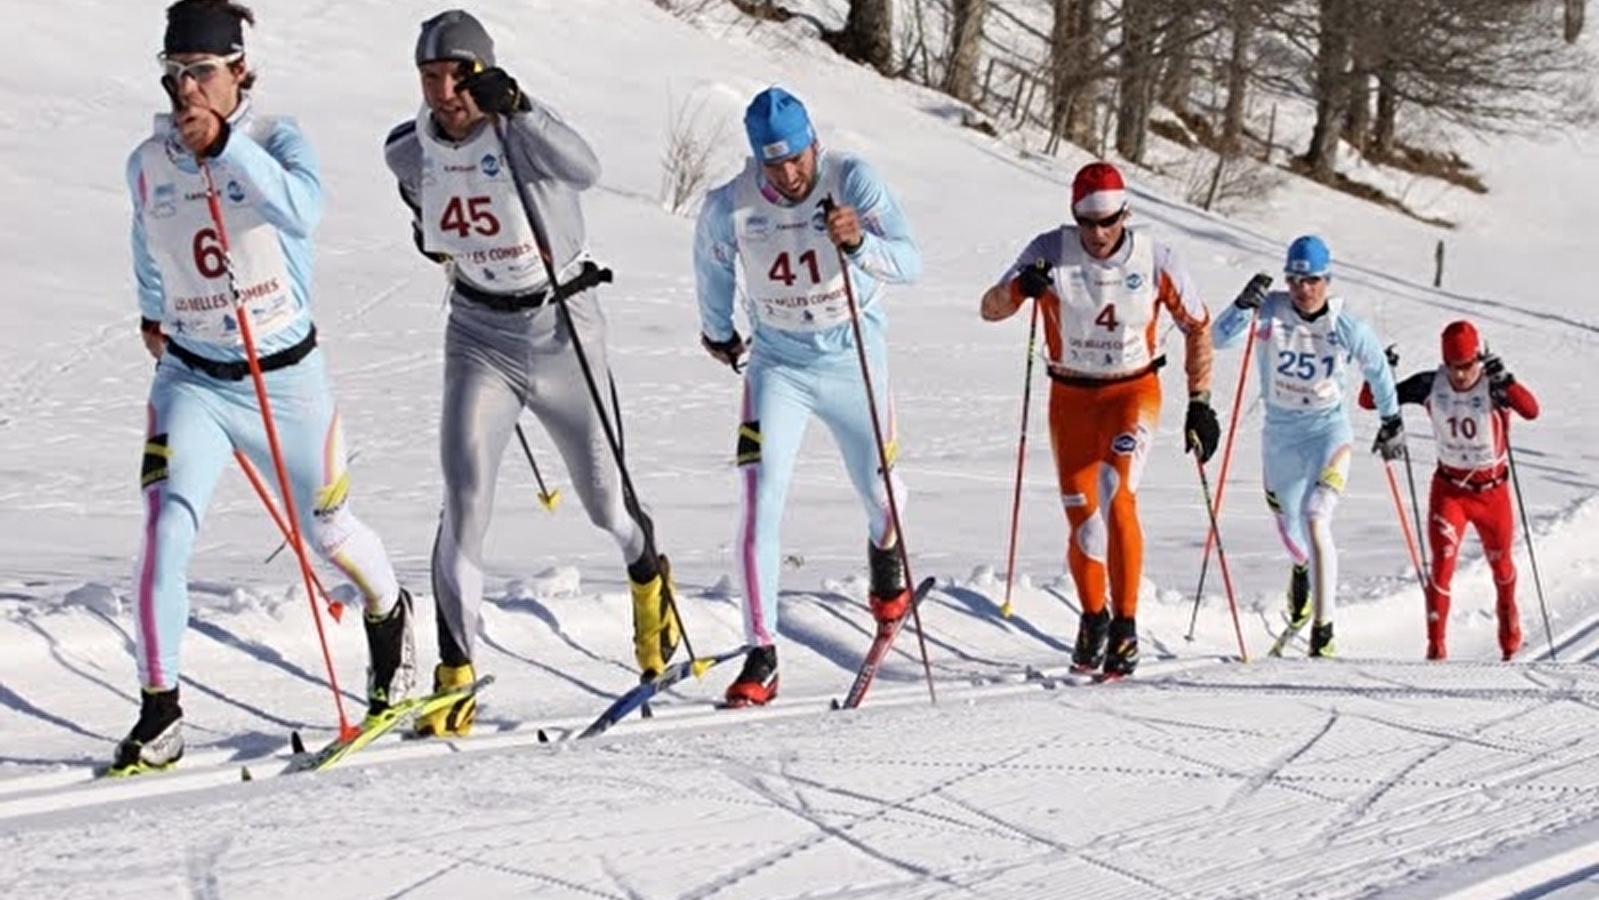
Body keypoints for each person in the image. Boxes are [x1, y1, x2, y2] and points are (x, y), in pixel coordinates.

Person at [118, 0, 412, 775]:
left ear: (239, 71)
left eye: (202, 73)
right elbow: (147, 239)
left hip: (286, 381)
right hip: (194, 380)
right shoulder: (148, 161)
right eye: (175, 73)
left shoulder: (276, 139)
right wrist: (154, 312)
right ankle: (160, 711)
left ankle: (390, 626)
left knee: (330, 532)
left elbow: (300, 210)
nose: (186, 89)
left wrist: (225, 153)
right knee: (165, 532)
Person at [383, 9, 680, 735]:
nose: (446, 91)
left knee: (605, 503)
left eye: (460, 75)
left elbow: (587, 169)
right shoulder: (406, 149)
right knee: (465, 497)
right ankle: (454, 678)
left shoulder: (521, 132)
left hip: (561, 330)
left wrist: (521, 106)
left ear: (484, 73)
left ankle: (648, 579)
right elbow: (421, 201)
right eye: (431, 78)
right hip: (478, 333)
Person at [694, 86, 923, 707]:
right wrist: (718, 332)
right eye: (776, 164)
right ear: (757, 161)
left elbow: (911, 263)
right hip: (778, 365)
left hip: (854, 357)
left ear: (815, 145)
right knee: (759, 501)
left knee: (881, 493)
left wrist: (859, 245)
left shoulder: (854, 180)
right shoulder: (729, 206)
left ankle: (885, 555)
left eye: (799, 159)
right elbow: (712, 271)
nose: (791, 174)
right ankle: (761, 652)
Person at [979, 162, 1217, 679]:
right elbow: (989, 308)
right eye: (1087, 222)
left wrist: (1200, 401)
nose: (1098, 233)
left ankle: (1127, 626)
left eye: (1109, 221)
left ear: (1126, 214)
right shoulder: (1048, 249)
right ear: (1074, 217)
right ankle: (1094, 619)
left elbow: (1198, 327)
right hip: (1070, 395)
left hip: (1133, 390)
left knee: (1117, 489)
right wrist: (1022, 287)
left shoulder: (1158, 257)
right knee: (1083, 514)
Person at [1213, 235, 1402, 658]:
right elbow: (1218, 340)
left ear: (1327, 280)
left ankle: (1324, 631)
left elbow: (1377, 370)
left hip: (1328, 433)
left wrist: (1391, 421)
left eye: (1313, 280)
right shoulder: (1269, 311)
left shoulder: (1345, 326)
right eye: (1295, 279)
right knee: (1294, 536)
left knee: (1318, 518)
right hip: (1280, 439)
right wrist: (1242, 305)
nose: (1303, 289)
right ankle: (1302, 573)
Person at [1358, 321, 1539, 660]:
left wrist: (1509, 382)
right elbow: (1370, 401)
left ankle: (1510, 637)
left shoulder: (1494, 385)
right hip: (1450, 491)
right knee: (1441, 566)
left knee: (1501, 569)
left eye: (1468, 366)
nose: (1460, 375)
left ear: (1478, 360)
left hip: (1492, 494)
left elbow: (1531, 410)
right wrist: (1379, 371)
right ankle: (1436, 651)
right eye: (1453, 367)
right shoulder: (1431, 384)